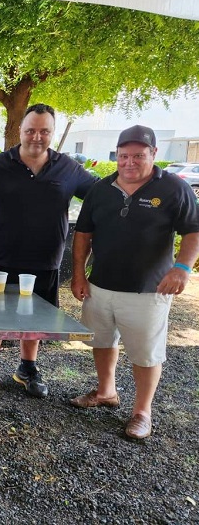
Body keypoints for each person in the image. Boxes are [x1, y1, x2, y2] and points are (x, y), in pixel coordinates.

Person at [70, 125, 199, 439]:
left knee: (145, 353)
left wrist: (182, 267)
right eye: (124, 155)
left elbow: (193, 231)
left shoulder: (173, 188)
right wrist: (78, 274)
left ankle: (142, 412)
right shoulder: (101, 190)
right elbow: (83, 234)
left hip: (148, 290)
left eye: (138, 156)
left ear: (153, 154)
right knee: (101, 342)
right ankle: (105, 391)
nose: (129, 162)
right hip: (100, 285)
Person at [0, 103, 97, 398]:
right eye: (30, 130)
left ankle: (27, 367)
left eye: (44, 131)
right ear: (20, 131)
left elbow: (100, 199)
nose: (37, 137)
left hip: (45, 258)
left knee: (35, 319)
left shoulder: (69, 168)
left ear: (52, 132)